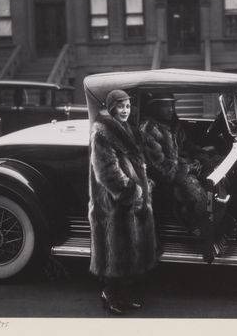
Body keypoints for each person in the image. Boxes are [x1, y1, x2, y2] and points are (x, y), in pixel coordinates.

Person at [88, 89, 158, 315]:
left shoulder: (128, 129)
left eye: (127, 106)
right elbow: (107, 172)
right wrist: (133, 191)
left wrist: (145, 183)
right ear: (111, 108)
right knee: (114, 253)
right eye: (121, 106)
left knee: (129, 253)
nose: (125, 111)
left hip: (131, 200)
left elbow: (136, 162)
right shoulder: (102, 133)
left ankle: (122, 296)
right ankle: (110, 295)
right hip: (113, 202)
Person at [139, 93, 217, 263]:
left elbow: (187, 145)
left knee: (215, 177)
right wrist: (187, 169)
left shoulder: (174, 124)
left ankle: (213, 230)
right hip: (159, 178)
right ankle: (199, 233)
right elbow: (159, 166)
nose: (171, 109)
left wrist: (200, 158)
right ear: (155, 107)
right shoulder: (148, 129)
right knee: (195, 193)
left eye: (172, 105)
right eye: (166, 105)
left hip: (180, 168)